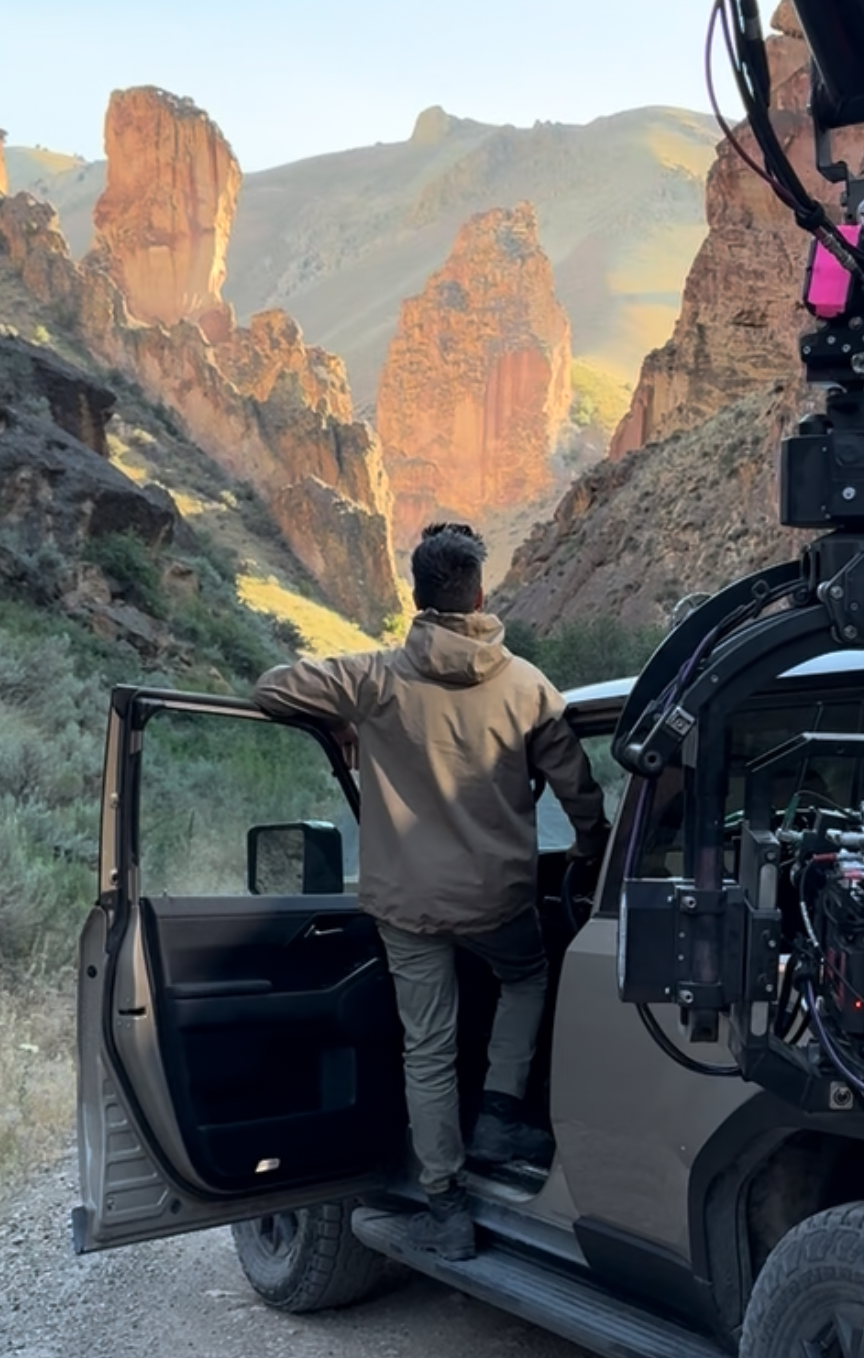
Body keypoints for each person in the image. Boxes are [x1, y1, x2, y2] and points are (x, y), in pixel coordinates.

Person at [253, 522, 609, 1261]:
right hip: (499, 899)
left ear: (419, 596)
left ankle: (444, 1206)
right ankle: (503, 1113)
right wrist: (592, 844)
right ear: (479, 592)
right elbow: (579, 786)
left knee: (429, 1049)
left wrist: (342, 721)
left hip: (407, 908)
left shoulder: (375, 679)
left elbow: (271, 688)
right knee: (526, 976)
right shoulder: (528, 687)